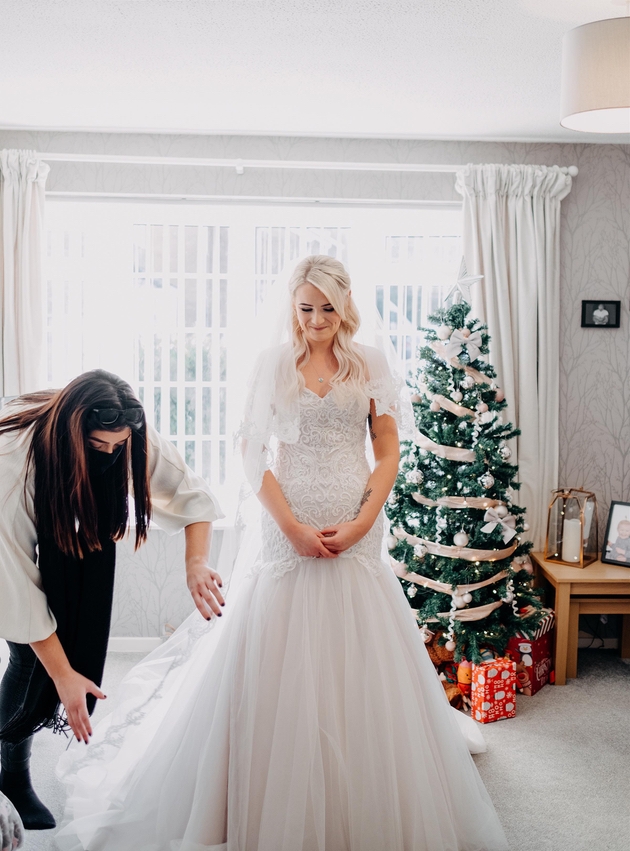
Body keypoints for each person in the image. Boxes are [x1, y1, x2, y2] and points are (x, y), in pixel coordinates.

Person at [55, 257, 508, 850]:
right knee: (277, 648)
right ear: (291, 308)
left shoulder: (370, 361)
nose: (316, 320)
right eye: (305, 307)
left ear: (344, 306)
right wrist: (291, 526)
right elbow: (250, 452)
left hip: (355, 524)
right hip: (285, 525)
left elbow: (388, 448)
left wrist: (362, 521)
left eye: (327, 308)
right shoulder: (274, 363)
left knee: (360, 649)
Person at [0, 370, 224, 831]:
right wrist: (63, 676)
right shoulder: (14, 465)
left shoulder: (125, 433)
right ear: (70, 432)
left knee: (41, 652)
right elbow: (19, 593)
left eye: (115, 448)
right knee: (27, 657)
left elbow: (191, 495)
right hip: (3, 542)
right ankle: (12, 779)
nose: (108, 456)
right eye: (97, 447)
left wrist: (195, 563)